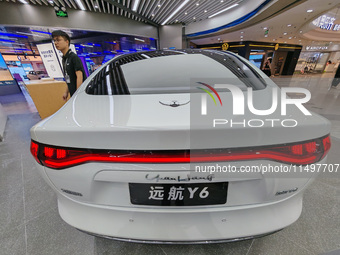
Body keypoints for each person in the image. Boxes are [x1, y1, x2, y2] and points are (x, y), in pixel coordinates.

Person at [52, 30, 87, 101]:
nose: (56, 43)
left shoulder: (74, 57)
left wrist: (78, 94)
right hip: (73, 94)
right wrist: (66, 92)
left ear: (66, 42)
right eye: (54, 40)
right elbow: (69, 78)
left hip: (80, 95)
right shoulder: (64, 59)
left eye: (58, 40)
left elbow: (79, 77)